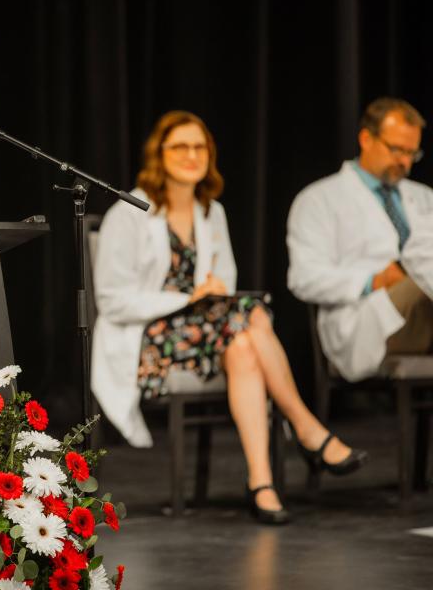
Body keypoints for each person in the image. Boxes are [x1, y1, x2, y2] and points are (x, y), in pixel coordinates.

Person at [91, 110, 366, 524]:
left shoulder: (212, 211)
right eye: (180, 146)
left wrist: (210, 297)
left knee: (242, 341)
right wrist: (186, 298)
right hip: (149, 342)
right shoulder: (128, 213)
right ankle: (307, 429)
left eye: (200, 146)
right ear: (158, 154)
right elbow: (112, 300)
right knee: (250, 317)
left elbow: (227, 286)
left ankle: (261, 482)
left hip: (213, 333)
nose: (191, 154)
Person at [288, 97, 433, 382]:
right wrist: (372, 280)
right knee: (421, 280)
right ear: (366, 138)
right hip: (365, 321)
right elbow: (303, 278)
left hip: (425, 312)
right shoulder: (318, 199)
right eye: (396, 149)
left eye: (412, 154)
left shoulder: (424, 196)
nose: (404, 161)